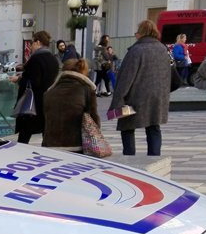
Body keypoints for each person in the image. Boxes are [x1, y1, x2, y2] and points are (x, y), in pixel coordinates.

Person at [109, 20, 171, 156]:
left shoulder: (136, 50)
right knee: (154, 126)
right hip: (158, 96)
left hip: (135, 97)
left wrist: (118, 100)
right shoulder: (163, 49)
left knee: (127, 127)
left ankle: (130, 158)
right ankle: (154, 158)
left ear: (141, 34)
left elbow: (126, 77)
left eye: (137, 33)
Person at [12, 31, 60, 144]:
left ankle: (19, 154)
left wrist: (19, 79)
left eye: (32, 43)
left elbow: (34, 81)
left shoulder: (36, 59)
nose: (31, 46)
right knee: (45, 131)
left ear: (38, 43)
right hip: (47, 101)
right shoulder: (53, 59)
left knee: (25, 133)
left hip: (32, 103)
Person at [42, 58, 100, 152]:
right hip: (76, 146)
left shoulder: (49, 92)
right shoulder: (86, 90)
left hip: (50, 145)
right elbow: (94, 119)